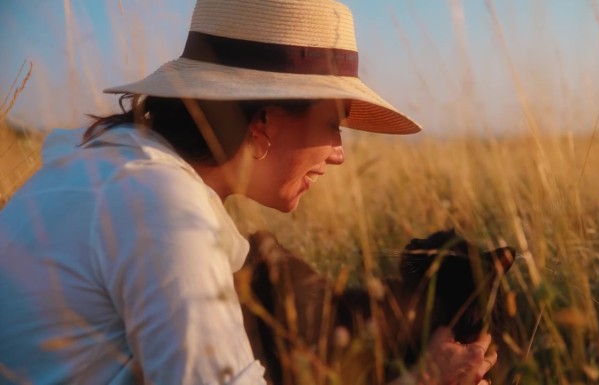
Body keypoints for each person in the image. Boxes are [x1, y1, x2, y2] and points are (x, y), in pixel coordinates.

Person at [0, 0, 497, 384]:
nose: (339, 152)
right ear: (262, 122)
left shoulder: (105, 161)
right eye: (333, 124)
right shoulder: (162, 208)